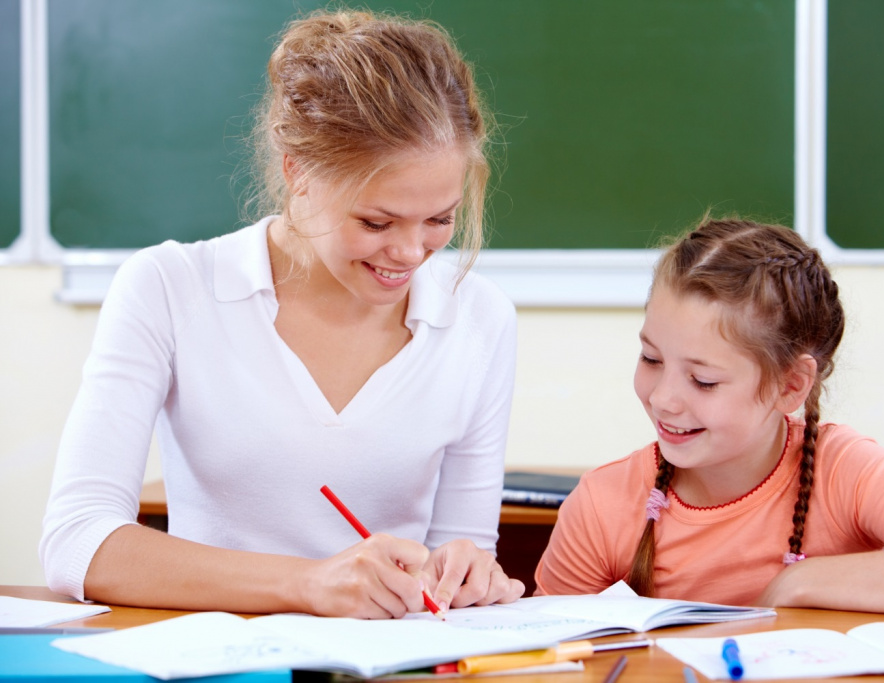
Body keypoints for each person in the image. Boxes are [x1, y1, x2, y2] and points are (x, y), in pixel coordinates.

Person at [40, 8, 525, 619]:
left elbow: (463, 552)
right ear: (298, 173)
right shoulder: (169, 288)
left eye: (438, 220)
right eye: (376, 222)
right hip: (221, 660)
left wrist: (468, 574)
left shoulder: (481, 321)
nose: (409, 254)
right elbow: (77, 541)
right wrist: (309, 584)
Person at [534, 217, 884, 617]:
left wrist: (803, 580)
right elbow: (541, 660)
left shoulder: (845, 473)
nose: (664, 399)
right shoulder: (604, 506)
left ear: (791, 386)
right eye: (651, 359)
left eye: (703, 381)